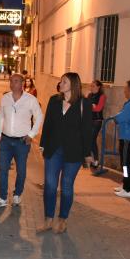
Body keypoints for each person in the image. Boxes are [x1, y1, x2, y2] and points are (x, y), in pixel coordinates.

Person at [39, 73, 93, 234]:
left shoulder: (84, 103)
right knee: (49, 185)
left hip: (73, 152)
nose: (60, 84)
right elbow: (47, 124)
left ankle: (62, 219)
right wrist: (43, 145)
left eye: (64, 82)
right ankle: (48, 219)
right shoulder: (54, 101)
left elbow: (87, 131)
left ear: (73, 84)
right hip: (53, 150)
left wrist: (87, 153)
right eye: (61, 81)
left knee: (67, 186)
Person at [0, 73, 43, 209]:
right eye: (11, 81)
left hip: (22, 142)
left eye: (16, 81)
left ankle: (17, 194)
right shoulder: (5, 98)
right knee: (2, 170)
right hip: (6, 141)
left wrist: (31, 135)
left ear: (22, 83)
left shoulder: (30, 99)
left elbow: (39, 117)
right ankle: (2, 198)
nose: (13, 84)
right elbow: (1, 116)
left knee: (21, 171)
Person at [86, 80, 106, 168]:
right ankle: (92, 160)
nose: (91, 88)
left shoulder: (102, 96)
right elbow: (86, 107)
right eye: (91, 86)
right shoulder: (89, 95)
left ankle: (96, 160)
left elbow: (98, 108)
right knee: (90, 140)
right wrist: (92, 106)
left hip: (97, 121)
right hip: (89, 120)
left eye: (93, 86)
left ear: (98, 87)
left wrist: (92, 107)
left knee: (92, 140)